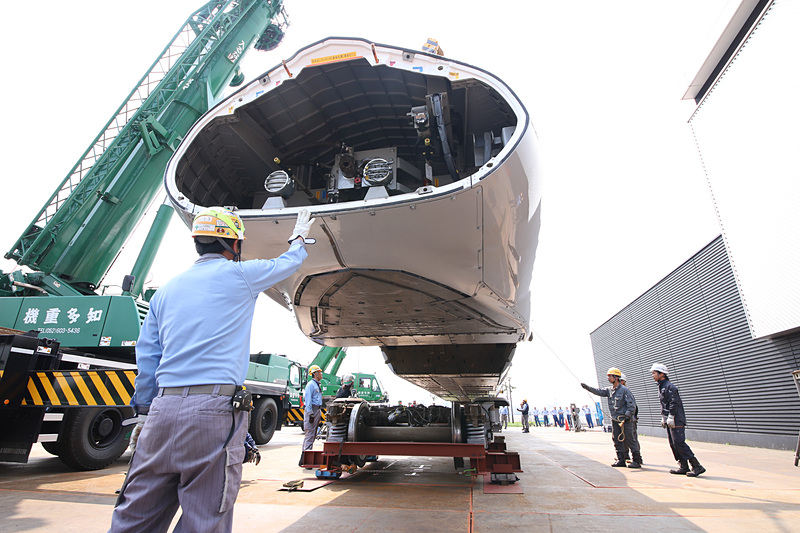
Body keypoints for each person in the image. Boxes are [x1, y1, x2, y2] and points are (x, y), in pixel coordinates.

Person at [110, 207, 313, 533]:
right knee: (205, 516)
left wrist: (145, 413)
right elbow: (288, 263)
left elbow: (148, 355)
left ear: (197, 243)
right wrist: (299, 237)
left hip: (161, 411)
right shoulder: (242, 275)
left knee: (136, 514)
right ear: (235, 245)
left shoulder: (165, 292)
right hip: (213, 411)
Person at [651, 363, 706, 477]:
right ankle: (683, 466)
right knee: (673, 444)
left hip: (676, 419)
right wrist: (664, 417)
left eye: (654, 373)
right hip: (669, 419)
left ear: (662, 374)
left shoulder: (670, 387)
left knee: (679, 442)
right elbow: (664, 404)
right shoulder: (661, 386)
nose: (653, 375)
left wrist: (671, 416)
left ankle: (696, 466)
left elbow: (674, 403)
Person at [581, 367, 642, 468]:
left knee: (630, 440)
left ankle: (637, 460)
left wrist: (627, 416)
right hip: (615, 420)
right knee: (616, 439)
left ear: (616, 377)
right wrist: (587, 388)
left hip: (625, 420)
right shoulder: (609, 390)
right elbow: (598, 391)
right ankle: (621, 460)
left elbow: (631, 405)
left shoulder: (625, 390)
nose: (608, 378)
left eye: (610, 376)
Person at [300, 364, 324, 466]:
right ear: (315, 374)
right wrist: (310, 413)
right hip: (312, 410)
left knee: (313, 435)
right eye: (319, 372)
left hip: (317, 409)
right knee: (309, 434)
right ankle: (306, 458)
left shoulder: (317, 385)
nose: (321, 374)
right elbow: (308, 400)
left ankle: (305, 458)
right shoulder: (310, 385)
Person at [619, 373, 642, 464]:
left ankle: (637, 458)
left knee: (632, 439)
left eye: (620, 380)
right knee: (623, 439)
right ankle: (625, 456)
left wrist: (630, 416)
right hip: (621, 419)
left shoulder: (626, 391)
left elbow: (633, 406)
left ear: (624, 381)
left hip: (629, 419)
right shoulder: (618, 392)